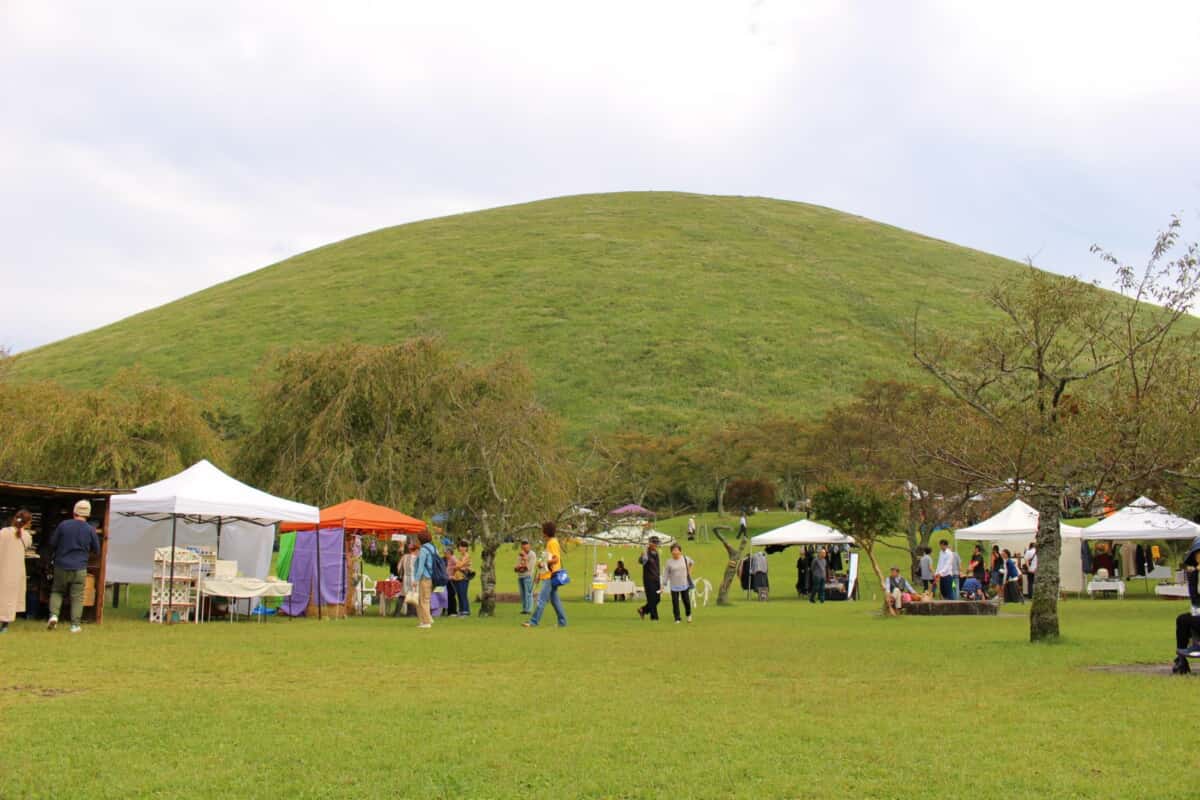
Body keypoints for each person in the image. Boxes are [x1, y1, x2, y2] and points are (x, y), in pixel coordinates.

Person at [48, 500, 100, 633]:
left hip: (61, 565)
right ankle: (75, 625)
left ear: (74, 512)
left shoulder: (63, 525)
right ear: (88, 514)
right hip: (80, 568)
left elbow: (52, 543)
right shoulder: (90, 529)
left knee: (57, 591)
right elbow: (97, 549)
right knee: (77, 596)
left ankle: (54, 616)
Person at [524, 521, 566, 628]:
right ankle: (562, 622)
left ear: (546, 531)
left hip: (550, 576)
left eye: (543, 530)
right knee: (555, 600)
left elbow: (556, 559)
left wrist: (543, 563)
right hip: (549, 575)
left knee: (541, 600)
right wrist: (540, 573)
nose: (542, 532)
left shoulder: (552, 543)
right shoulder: (552, 542)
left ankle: (533, 622)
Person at [1, 510, 33, 633]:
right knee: (9, 598)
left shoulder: (4, 532)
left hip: (2, 567)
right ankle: (4, 626)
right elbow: (28, 545)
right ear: (28, 522)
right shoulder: (26, 536)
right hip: (15, 571)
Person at [1172, 536, 1200, 674]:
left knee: (1184, 620)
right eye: (1197, 555)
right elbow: (1195, 599)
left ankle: (1183, 657)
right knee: (1183, 619)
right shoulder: (1196, 574)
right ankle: (1182, 659)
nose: (1199, 558)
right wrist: (1193, 577)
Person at [663, 544, 693, 623]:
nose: (675, 552)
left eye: (677, 550)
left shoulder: (685, 558)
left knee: (686, 601)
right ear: (671, 552)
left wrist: (689, 572)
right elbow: (666, 573)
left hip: (684, 584)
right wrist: (664, 583)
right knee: (675, 603)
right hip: (674, 585)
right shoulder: (669, 562)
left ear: (680, 551)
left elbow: (691, 563)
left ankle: (688, 614)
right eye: (673, 550)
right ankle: (677, 618)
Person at [414, 530, 437, 628]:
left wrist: (416, 579)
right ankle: (426, 619)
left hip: (424, 577)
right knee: (425, 599)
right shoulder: (433, 548)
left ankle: (427, 622)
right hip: (431, 577)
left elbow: (420, 567)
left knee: (423, 600)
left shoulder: (423, 549)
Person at [637, 536, 662, 621]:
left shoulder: (656, 553)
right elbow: (641, 561)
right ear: (650, 543)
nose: (656, 545)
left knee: (657, 599)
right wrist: (642, 556)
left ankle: (643, 610)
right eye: (654, 543)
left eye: (656, 543)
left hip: (656, 579)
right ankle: (654, 617)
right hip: (649, 579)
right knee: (651, 599)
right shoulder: (646, 553)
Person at [451, 539, 472, 617]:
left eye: (463, 546)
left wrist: (457, 566)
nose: (461, 548)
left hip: (464, 577)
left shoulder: (466, 556)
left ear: (466, 548)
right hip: (458, 577)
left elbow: (459, 565)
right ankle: (461, 610)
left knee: (463, 594)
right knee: (459, 594)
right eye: (460, 546)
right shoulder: (461, 556)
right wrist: (457, 566)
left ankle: (466, 611)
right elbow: (458, 566)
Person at [398, 539, 419, 617]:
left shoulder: (405, 556)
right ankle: (412, 613)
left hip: (405, 577)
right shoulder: (417, 558)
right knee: (413, 594)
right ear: (416, 550)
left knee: (403, 594)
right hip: (413, 577)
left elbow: (398, 567)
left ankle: (397, 612)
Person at [514, 539, 536, 615]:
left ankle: (528, 610)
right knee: (522, 594)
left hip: (528, 576)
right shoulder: (519, 555)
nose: (524, 549)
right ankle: (524, 609)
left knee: (528, 593)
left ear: (529, 546)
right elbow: (516, 568)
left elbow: (527, 568)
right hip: (520, 577)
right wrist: (520, 567)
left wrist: (525, 558)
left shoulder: (532, 554)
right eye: (523, 548)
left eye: (526, 547)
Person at [443, 546, 458, 616]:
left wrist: (453, 575)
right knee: (448, 595)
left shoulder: (453, 558)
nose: (445, 555)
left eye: (446, 553)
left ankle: (453, 612)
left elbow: (458, 566)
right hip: (448, 579)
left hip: (451, 579)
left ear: (450, 553)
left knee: (451, 595)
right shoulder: (448, 559)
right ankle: (449, 611)